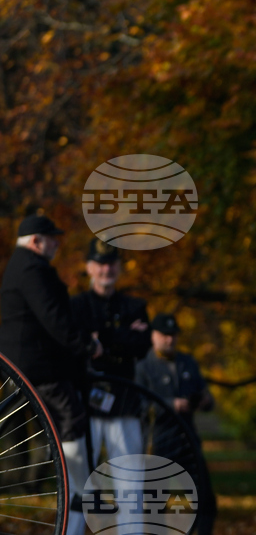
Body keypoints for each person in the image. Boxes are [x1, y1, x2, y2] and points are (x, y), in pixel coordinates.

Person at [0, 215, 103, 535]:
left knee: (65, 419)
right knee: (71, 417)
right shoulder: (32, 269)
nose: (57, 243)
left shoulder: (21, 266)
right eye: (51, 238)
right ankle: (79, 485)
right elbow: (53, 317)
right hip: (39, 368)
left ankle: (76, 487)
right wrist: (86, 345)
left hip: (29, 365)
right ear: (36, 241)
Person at [135, 314, 217, 535]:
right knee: (156, 504)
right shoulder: (144, 367)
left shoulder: (187, 362)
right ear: (153, 336)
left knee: (205, 500)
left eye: (173, 335)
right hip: (158, 442)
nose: (170, 340)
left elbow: (205, 394)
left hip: (188, 439)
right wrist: (172, 404)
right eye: (165, 335)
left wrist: (204, 401)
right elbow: (140, 406)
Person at [71, 238, 151, 467]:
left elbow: (142, 346)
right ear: (89, 267)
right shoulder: (76, 306)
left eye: (112, 263)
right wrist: (123, 334)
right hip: (85, 401)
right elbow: (72, 345)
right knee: (79, 470)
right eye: (100, 263)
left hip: (124, 400)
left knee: (129, 473)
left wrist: (100, 339)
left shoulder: (134, 306)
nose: (107, 269)